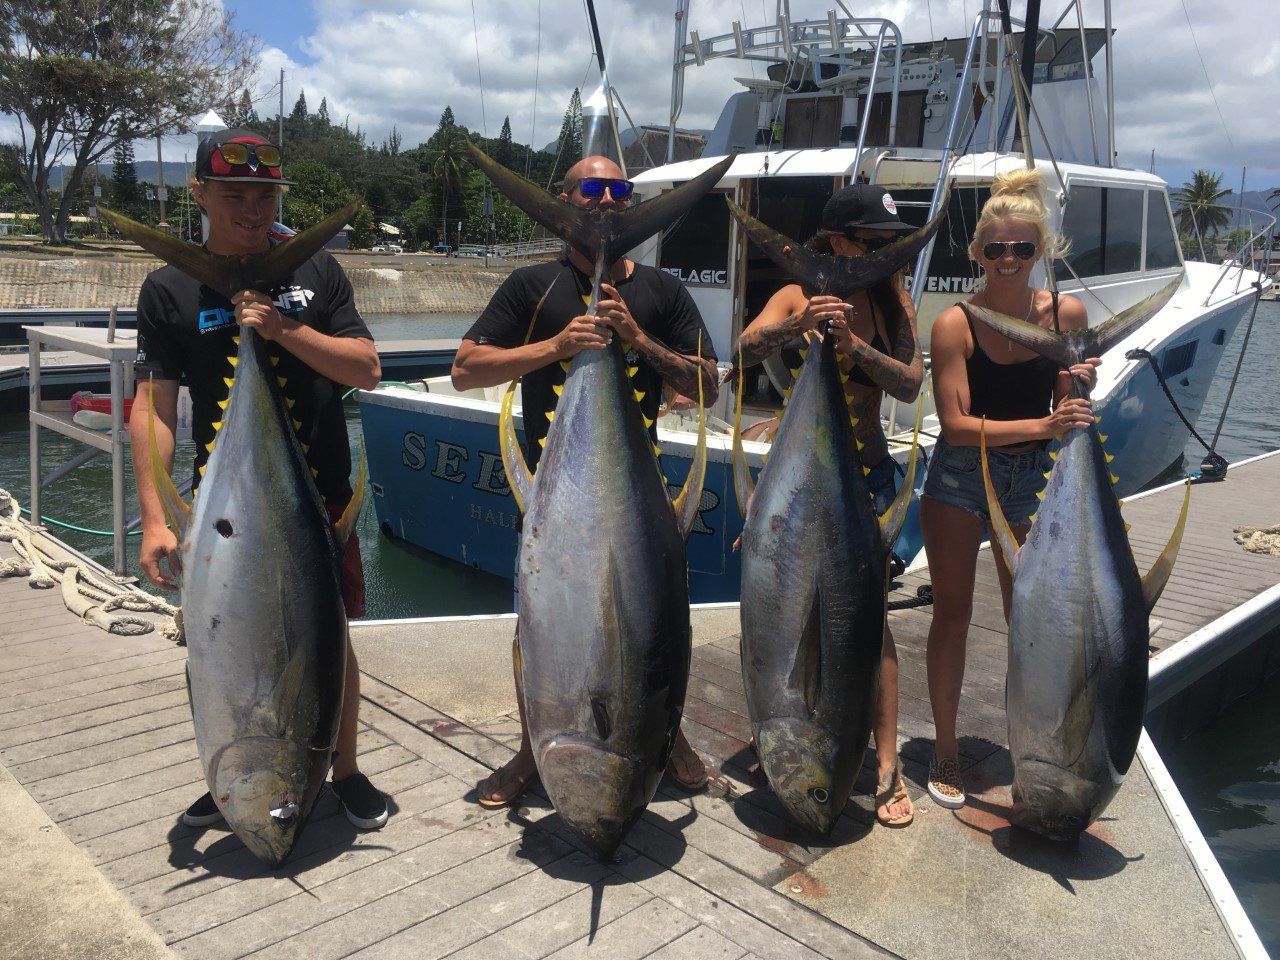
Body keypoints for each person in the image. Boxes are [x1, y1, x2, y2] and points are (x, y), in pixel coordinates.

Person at [129, 128, 389, 831]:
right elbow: (152, 410)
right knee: (218, 640)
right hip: (222, 511)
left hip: (316, 502)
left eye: (265, 194)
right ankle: (231, 767)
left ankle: (344, 769)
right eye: (234, 193)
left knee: (327, 636)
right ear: (200, 193)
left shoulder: (319, 272)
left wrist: (280, 330)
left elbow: (365, 369)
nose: (250, 207)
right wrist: (156, 517)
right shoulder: (167, 287)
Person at [452, 154, 721, 809]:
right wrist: (556, 348)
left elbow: (709, 384)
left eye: (617, 193)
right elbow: (465, 369)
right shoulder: (531, 287)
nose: (604, 203)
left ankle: (669, 736)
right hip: (558, 502)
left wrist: (637, 339)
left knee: (660, 625)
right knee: (542, 628)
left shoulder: (662, 292)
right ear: (564, 200)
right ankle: (528, 749)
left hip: (641, 508)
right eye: (589, 192)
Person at [736, 183, 924, 827]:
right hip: (794, 488)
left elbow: (909, 380)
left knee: (871, 627)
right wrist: (800, 325)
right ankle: (781, 730)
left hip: (862, 479)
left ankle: (886, 764)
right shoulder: (795, 292)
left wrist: (852, 346)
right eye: (869, 242)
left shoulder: (892, 300)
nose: (880, 253)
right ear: (836, 240)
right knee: (777, 617)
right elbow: (739, 355)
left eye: (888, 243)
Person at [921, 168, 1099, 809]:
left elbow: (1068, 403)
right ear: (976, 253)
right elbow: (957, 426)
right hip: (960, 481)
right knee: (953, 616)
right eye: (995, 249)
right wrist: (1048, 423)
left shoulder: (1066, 315)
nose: (1007, 259)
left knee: (1032, 620)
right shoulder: (954, 324)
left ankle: (1036, 750)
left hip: (1032, 481)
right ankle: (944, 749)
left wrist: (1078, 386)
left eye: (1022, 248)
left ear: (1040, 251)